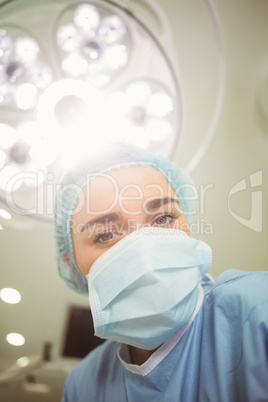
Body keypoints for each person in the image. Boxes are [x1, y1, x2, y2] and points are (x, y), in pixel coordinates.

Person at [54, 143, 268, 402]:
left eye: (163, 218)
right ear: (72, 263)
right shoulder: (83, 386)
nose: (144, 249)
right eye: (106, 234)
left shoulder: (258, 311)